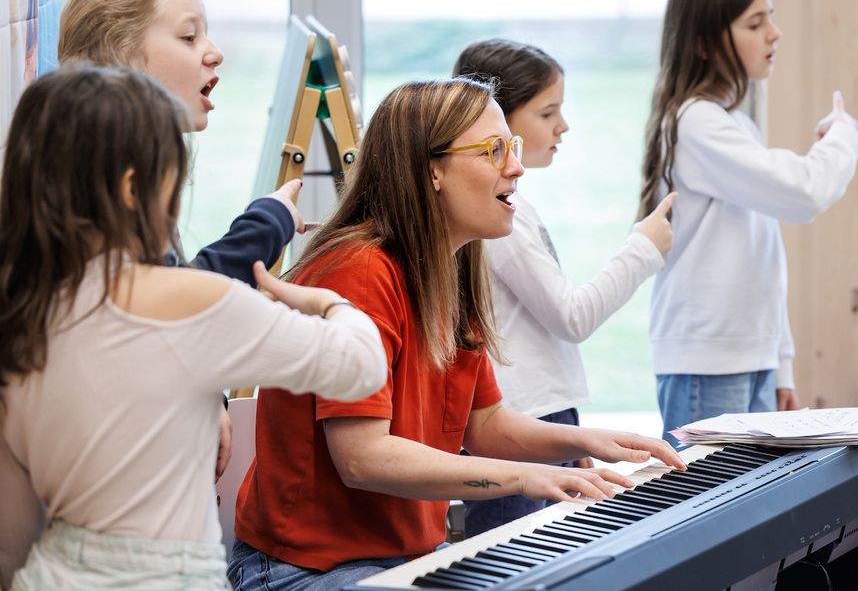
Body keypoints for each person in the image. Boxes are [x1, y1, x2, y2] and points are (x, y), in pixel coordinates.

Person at [228, 78, 686, 591]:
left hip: (407, 557)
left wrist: (591, 442)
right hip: (306, 570)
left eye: (510, 147)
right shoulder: (357, 271)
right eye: (494, 150)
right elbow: (362, 457)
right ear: (432, 172)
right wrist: (528, 478)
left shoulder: (451, 267)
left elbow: (483, 424)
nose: (515, 166)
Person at [0, 66, 388, 590]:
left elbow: (12, 532)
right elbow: (361, 367)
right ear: (134, 188)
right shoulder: (189, 300)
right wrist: (328, 303)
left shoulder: (19, 314)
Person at [450, 38, 677, 537]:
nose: (564, 126)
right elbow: (571, 317)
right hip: (521, 418)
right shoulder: (499, 220)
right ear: (497, 124)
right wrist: (643, 248)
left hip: (537, 411)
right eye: (548, 112)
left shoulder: (510, 210)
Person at [637, 0, 858, 446]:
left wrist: (779, 361)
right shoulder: (697, 123)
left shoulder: (731, 124)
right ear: (703, 42)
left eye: (771, 18)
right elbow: (803, 192)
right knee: (710, 514)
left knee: (747, 514)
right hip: (710, 358)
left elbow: (764, 255)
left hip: (745, 354)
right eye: (755, 23)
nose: (774, 33)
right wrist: (843, 138)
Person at [58, 0, 302, 288]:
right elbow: (170, 300)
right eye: (189, 37)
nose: (215, 54)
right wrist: (270, 222)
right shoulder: (101, 179)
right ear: (118, 58)